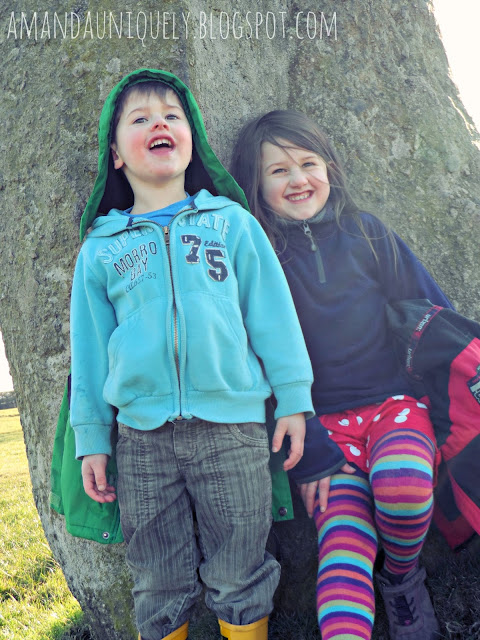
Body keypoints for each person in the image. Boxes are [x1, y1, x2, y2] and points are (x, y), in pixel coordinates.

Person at [69, 71, 314, 640]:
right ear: (116, 155)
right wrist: (92, 440)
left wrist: (294, 399)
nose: (159, 122)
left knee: (240, 571)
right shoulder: (102, 249)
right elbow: (89, 353)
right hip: (141, 440)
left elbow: (273, 317)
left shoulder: (231, 224)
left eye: (172, 115)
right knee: (156, 582)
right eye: (141, 118)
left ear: (191, 139)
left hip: (233, 430)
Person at [230, 109, 454, 640]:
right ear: (256, 187)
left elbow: (430, 314)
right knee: (342, 551)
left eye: (308, 163)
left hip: (395, 408)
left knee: (403, 486)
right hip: (321, 433)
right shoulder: (261, 259)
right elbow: (257, 367)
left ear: (330, 166)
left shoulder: (367, 233)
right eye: (278, 171)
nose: (299, 179)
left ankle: (400, 579)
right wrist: (306, 458)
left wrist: (452, 404)